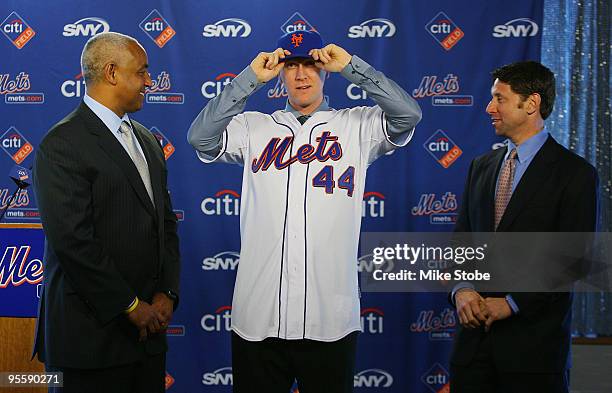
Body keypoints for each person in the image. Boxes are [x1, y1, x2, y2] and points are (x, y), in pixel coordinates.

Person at [188, 30, 421, 392]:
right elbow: (200, 138)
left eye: (310, 64)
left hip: (329, 319)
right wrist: (250, 79)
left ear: (325, 69)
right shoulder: (253, 127)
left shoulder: (355, 125)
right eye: (292, 65)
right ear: (280, 72)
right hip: (259, 315)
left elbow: (409, 113)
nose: (301, 75)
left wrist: (352, 67)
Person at [33, 32, 180, 393]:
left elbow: (165, 224)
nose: (149, 81)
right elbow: (72, 242)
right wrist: (129, 306)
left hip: (146, 340)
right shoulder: (63, 143)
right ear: (112, 72)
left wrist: (167, 294)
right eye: (142, 72)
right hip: (88, 342)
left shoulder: (146, 139)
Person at [449, 61, 598, 393]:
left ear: (531, 104)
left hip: (534, 357)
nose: (489, 108)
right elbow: (461, 242)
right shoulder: (481, 166)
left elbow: (574, 260)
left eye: (499, 98)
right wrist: (461, 290)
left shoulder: (575, 174)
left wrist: (513, 302)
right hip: (472, 353)